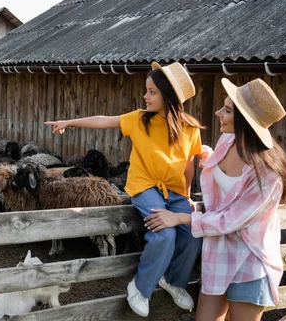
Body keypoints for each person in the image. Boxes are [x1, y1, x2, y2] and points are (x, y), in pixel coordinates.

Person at [45, 61, 203, 317]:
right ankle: (140, 288)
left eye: (152, 91)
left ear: (169, 96)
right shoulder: (140, 119)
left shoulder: (190, 128)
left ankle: (175, 281)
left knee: (194, 232)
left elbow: (188, 165)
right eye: (147, 90)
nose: (145, 96)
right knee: (164, 235)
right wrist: (70, 121)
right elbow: (104, 121)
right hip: (145, 186)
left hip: (175, 192)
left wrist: (186, 196)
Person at [145, 78, 286, 321]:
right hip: (219, 253)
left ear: (246, 121)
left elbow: (231, 220)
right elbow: (221, 177)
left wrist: (181, 217)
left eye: (227, 110)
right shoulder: (227, 141)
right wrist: (204, 156)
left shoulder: (268, 176)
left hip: (250, 260)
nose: (218, 113)